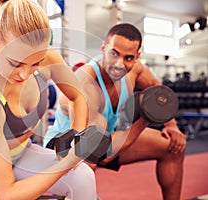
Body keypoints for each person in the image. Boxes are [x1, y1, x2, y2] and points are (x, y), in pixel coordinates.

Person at [0, 0, 98, 199]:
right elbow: (6, 194)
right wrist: (66, 163)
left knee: (83, 177)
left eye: (35, 64)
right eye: (15, 63)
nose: (24, 74)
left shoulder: (48, 57)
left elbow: (77, 96)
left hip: (22, 154)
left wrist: (75, 138)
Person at [43, 23, 186, 200]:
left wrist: (172, 126)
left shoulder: (135, 71)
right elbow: (103, 153)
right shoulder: (87, 83)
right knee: (92, 145)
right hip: (66, 148)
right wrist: (145, 119)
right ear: (103, 48)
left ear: (137, 56)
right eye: (114, 53)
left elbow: (158, 89)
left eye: (128, 58)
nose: (119, 64)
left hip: (106, 138)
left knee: (173, 146)